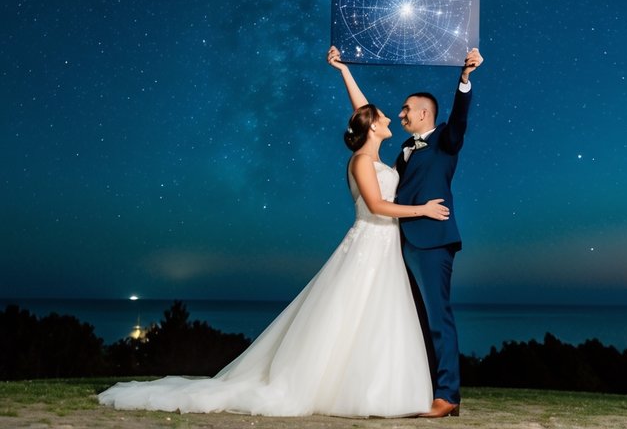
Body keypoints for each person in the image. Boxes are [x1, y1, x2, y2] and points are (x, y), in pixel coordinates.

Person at [97, 87, 449, 417]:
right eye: (383, 117)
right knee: (351, 314)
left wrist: (343, 71)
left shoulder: (378, 157)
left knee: (377, 318)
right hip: (369, 244)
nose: (391, 119)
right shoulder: (360, 161)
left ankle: (383, 389)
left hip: (384, 250)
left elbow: (362, 108)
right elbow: (375, 205)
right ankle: (343, 389)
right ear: (372, 127)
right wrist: (423, 210)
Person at [328, 44, 483, 419]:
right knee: (413, 322)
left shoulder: (445, 140)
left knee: (437, 316)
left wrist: (464, 80)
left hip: (432, 241)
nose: (399, 115)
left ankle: (447, 397)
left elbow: (459, 120)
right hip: (397, 244)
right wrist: (344, 70)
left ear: (425, 114)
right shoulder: (399, 149)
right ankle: (425, 392)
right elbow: (365, 117)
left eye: (406, 110)